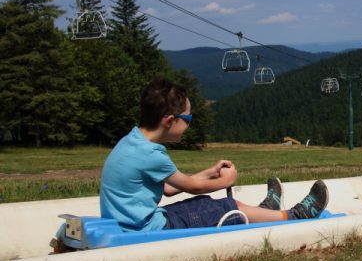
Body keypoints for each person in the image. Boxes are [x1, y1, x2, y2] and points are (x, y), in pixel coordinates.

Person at [99, 77, 328, 231]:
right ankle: (297, 215)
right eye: (188, 119)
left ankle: (265, 211)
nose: (189, 124)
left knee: (206, 204)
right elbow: (192, 186)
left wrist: (209, 172)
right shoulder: (151, 154)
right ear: (170, 121)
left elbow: (169, 188)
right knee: (225, 207)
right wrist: (225, 181)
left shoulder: (133, 142)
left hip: (132, 222)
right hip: (148, 227)